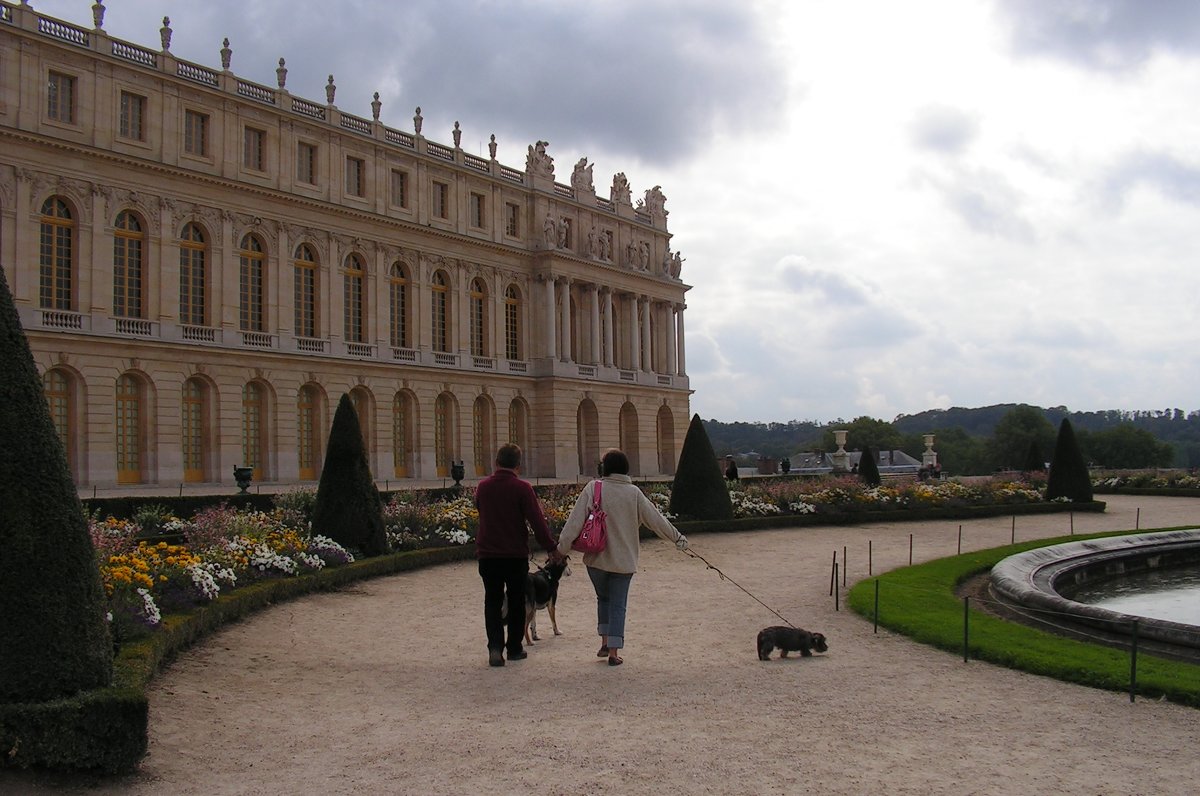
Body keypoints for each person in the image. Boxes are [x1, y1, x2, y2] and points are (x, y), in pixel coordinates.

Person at [556, 449, 688, 667]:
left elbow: (573, 523)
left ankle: (605, 642)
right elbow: (656, 520)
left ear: (604, 468)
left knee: (603, 599)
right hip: (623, 560)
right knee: (618, 604)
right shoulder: (633, 493)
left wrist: (561, 550)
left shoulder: (594, 487)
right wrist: (678, 538)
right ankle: (613, 653)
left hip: (596, 559)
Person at [474, 443, 560, 667]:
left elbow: (480, 509)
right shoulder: (522, 489)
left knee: (492, 601)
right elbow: (537, 522)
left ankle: (494, 648)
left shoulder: (483, 487)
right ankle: (513, 648)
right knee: (516, 601)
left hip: (488, 554)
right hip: (514, 555)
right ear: (518, 466)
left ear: (496, 463)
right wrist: (551, 547)